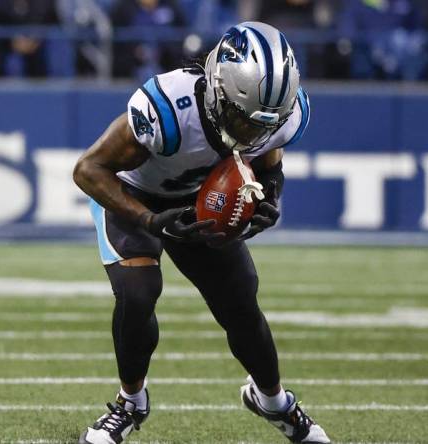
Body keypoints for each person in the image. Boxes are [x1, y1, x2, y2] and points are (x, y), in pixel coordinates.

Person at [73, 22, 328, 444]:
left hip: (198, 202)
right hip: (132, 194)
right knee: (138, 292)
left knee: (240, 300)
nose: (249, 135)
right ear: (216, 89)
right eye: (242, 120)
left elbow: (269, 159)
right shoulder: (169, 109)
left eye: (261, 126)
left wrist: (271, 199)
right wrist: (150, 221)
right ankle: (130, 403)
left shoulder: (277, 118)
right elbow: (88, 170)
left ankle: (273, 401)